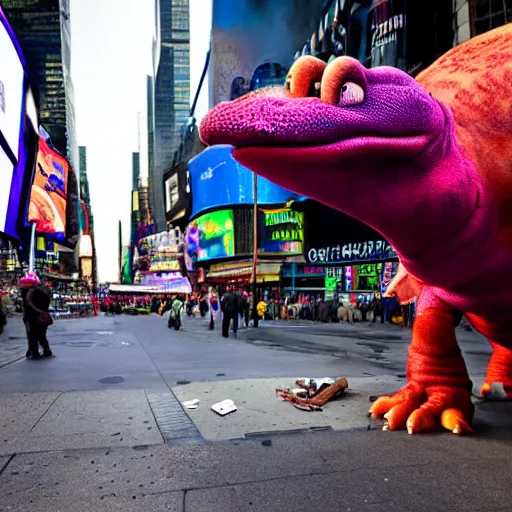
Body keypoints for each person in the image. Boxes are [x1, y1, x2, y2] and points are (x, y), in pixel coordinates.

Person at [19, 272, 53, 360]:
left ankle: (34, 352)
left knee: (32, 334)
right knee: (42, 334)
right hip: (43, 315)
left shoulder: (31, 291)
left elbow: (28, 301)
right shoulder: (45, 291)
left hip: (32, 315)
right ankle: (46, 349)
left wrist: (37, 310)